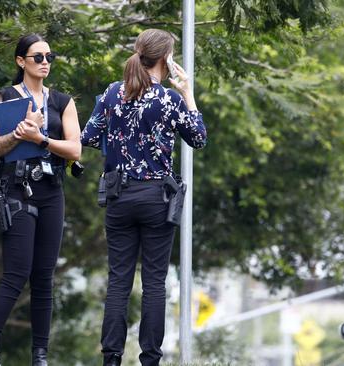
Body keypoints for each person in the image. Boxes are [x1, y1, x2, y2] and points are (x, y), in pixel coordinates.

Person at [80, 29, 207, 366]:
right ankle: (150, 359)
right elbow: (198, 137)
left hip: (119, 195)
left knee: (118, 280)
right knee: (154, 281)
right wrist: (188, 93)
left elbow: (88, 136)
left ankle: (111, 358)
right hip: (156, 198)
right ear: (166, 59)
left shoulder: (112, 93)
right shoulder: (169, 99)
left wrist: (119, 146)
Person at [0, 34, 81, 366]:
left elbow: (75, 149)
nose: (45, 61)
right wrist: (19, 133)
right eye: (37, 57)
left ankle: (40, 356)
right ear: (21, 62)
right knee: (16, 274)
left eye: (49, 56)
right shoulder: (5, 98)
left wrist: (41, 138)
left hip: (51, 191)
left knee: (44, 275)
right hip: (16, 190)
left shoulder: (62, 102)